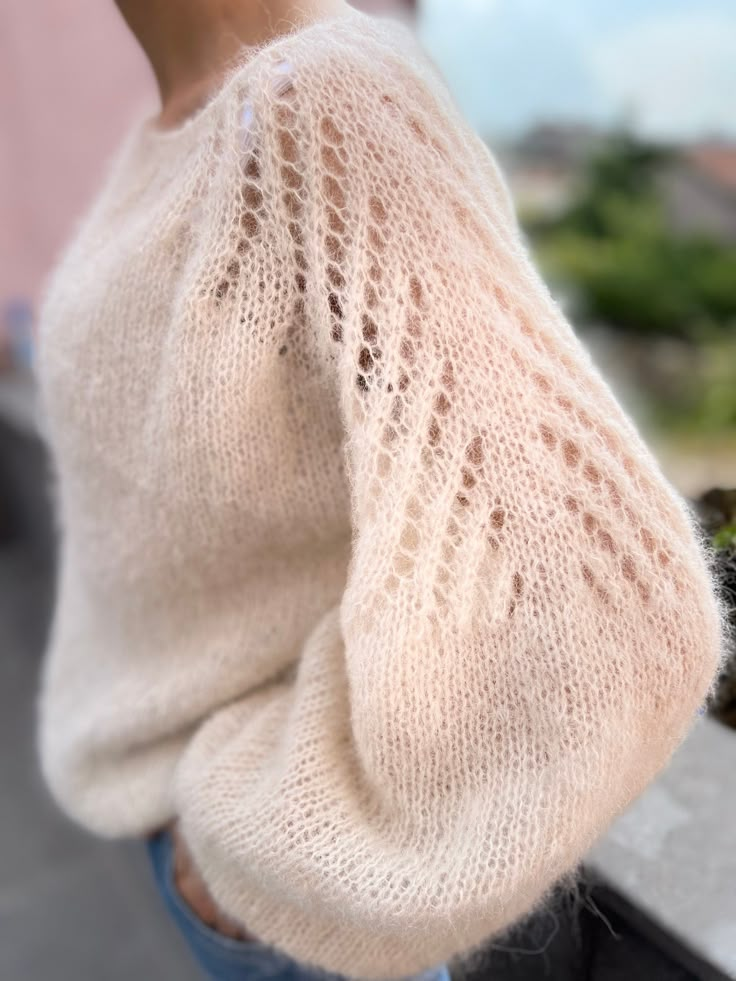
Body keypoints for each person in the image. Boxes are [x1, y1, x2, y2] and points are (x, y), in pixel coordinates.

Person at [33, 1, 730, 980]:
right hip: (204, 840)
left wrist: (268, 843)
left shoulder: (323, 100)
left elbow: (614, 619)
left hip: (291, 892)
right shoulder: (174, 136)